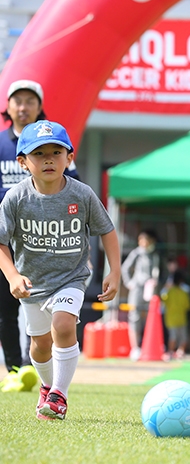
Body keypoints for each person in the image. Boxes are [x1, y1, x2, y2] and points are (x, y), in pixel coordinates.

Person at [0, 120, 120, 419]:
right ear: (22, 162)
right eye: (39, 154)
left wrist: (114, 271)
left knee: (64, 326)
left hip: (71, 278)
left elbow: (107, 231)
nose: (49, 159)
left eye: (56, 152)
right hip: (33, 284)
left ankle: (59, 396)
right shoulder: (15, 198)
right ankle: (47, 385)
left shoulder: (81, 194)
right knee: (39, 347)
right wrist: (13, 275)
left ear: (70, 157)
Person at [0, 80, 80, 391]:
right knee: (6, 307)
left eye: (29, 101)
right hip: (7, 240)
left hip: (45, 241)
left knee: (46, 313)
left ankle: (44, 369)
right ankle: (15, 370)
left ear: (39, 106)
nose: (23, 107)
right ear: (8, 107)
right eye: (17, 101)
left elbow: (74, 188)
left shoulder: (55, 145)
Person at [121, 229, 165, 361]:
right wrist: (130, 283)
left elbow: (164, 272)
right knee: (134, 317)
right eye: (141, 239)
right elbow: (125, 268)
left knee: (150, 317)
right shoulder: (136, 253)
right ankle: (135, 348)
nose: (143, 242)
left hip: (151, 289)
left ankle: (148, 346)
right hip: (137, 289)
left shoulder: (156, 255)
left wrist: (159, 285)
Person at [161, 270, 190, 360]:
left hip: (171, 318)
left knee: (172, 337)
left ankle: (170, 352)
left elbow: (163, 300)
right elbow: (187, 305)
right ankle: (180, 352)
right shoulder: (184, 292)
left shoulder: (169, 292)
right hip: (181, 318)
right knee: (183, 337)